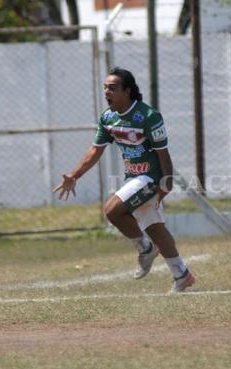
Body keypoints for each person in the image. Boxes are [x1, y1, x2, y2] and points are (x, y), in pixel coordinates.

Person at [53, 67, 195, 293]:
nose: (107, 92)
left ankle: (145, 249)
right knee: (155, 228)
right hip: (134, 178)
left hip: (151, 178)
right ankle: (182, 274)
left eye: (112, 88)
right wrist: (74, 175)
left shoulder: (149, 116)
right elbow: (95, 151)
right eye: (105, 88)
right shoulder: (108, 117)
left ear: (127, 91)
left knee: (111, 210)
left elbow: (163, 152)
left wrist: (166, 182)